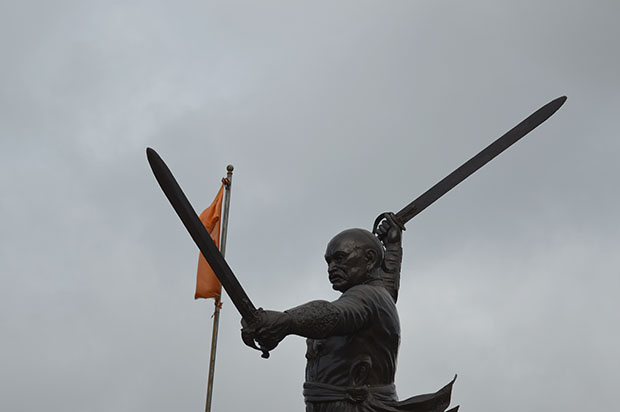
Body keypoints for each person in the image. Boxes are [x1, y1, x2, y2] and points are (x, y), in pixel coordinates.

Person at [241, 220, 458, 412]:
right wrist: (392, 247)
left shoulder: (366, 296)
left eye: (340, 258)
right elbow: (388, 285)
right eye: (328, 262)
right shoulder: (379, 295)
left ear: (370, 259)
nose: (331, 268)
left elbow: (333, 314)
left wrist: (285, 322)